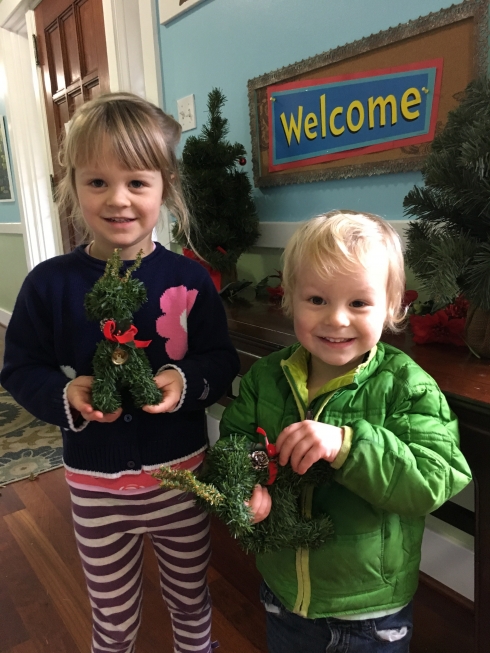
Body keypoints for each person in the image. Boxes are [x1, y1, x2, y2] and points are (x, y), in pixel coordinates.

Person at [1, 92, 240, 653]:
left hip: (179, 478)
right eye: (97, 182)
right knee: (111, 614)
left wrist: (185, 383)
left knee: (190, 599)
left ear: (165, 186)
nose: (118, 200)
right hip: (94, 486)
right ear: (73, 186)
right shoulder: (49, 283)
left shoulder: (190, 279)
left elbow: (221, 359)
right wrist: (66, 394)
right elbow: (20, 366)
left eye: (136, 182)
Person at [219, 210, 472, 653]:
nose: (336, 319)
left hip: (370, 612)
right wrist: (246, 482)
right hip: (283, 593)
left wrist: (348, 445)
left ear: (392, 307)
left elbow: (434, 477)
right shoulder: (265, 378)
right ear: (290, 299)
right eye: (316, 300)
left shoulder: (407, 386)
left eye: (358, 303)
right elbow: (236, 441)